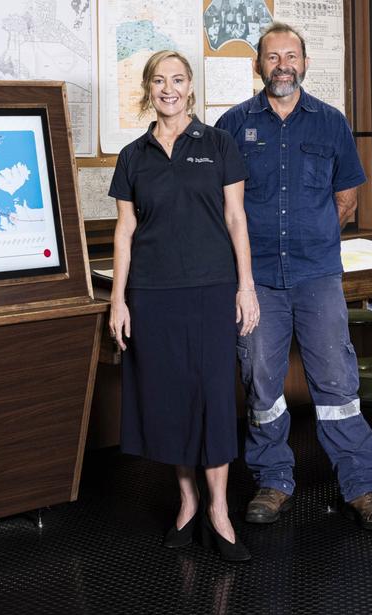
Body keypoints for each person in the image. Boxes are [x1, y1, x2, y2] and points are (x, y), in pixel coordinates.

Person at [215, 22, 372, 530]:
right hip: (257, 282)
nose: (282, 66)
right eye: (272, 57)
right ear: (258, 65)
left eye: (290, 56)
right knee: (260, 383)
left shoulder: (331, 123)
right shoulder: (232, 125)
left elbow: (346, 199)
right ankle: (273, 481)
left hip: (317, 275)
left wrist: (308, 235)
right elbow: (222, 205)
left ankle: (362, 487)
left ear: (304, 62)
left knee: (337, 382)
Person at [108, 49, 260, 561]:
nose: (167, 88)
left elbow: (237, 220)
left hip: (213, 289)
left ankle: (219, 508)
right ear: (148, 89)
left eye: (177, 79)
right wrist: (118, 301)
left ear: (191, 86)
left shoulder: (219, 144)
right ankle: (188, 501)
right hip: (152, 294)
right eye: (158, 80)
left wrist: (247, 287)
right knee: (169, 400)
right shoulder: (134, 155)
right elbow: (125, 230)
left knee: (214, 397)